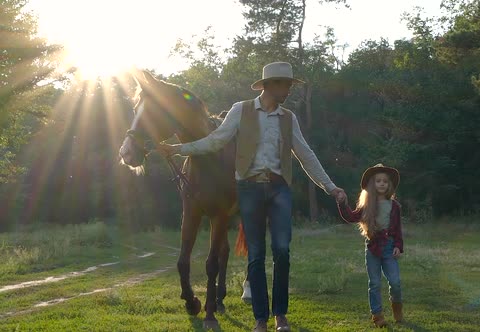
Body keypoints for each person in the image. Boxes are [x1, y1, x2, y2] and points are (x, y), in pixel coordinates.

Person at [158, 61, 346, 332]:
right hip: (249, 188)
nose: (289, 90)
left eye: (291, 85)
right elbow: (216, 140)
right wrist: (179, 149)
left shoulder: (288, 118)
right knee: (256, 255)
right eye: (285, 84)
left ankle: (280, 315)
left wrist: (331, 187)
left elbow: (306, 155)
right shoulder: (241, 110)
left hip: (279, 188)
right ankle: (261, 319)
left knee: (282, 251)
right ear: (269, 85)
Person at [336, 163, 404, 327]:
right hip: (373, 247)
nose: (381, 184)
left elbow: (398, 230)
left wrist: (398, 246)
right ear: (372, 185)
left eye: (385, 181)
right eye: (378, 181)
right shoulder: (367, 205)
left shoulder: (395, 206)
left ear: (389, 185)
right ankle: (377, 315)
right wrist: (342, 203)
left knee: (395, 282)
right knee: (374, 283)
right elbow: (351, 217)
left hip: (389, 247)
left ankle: (397, 306)